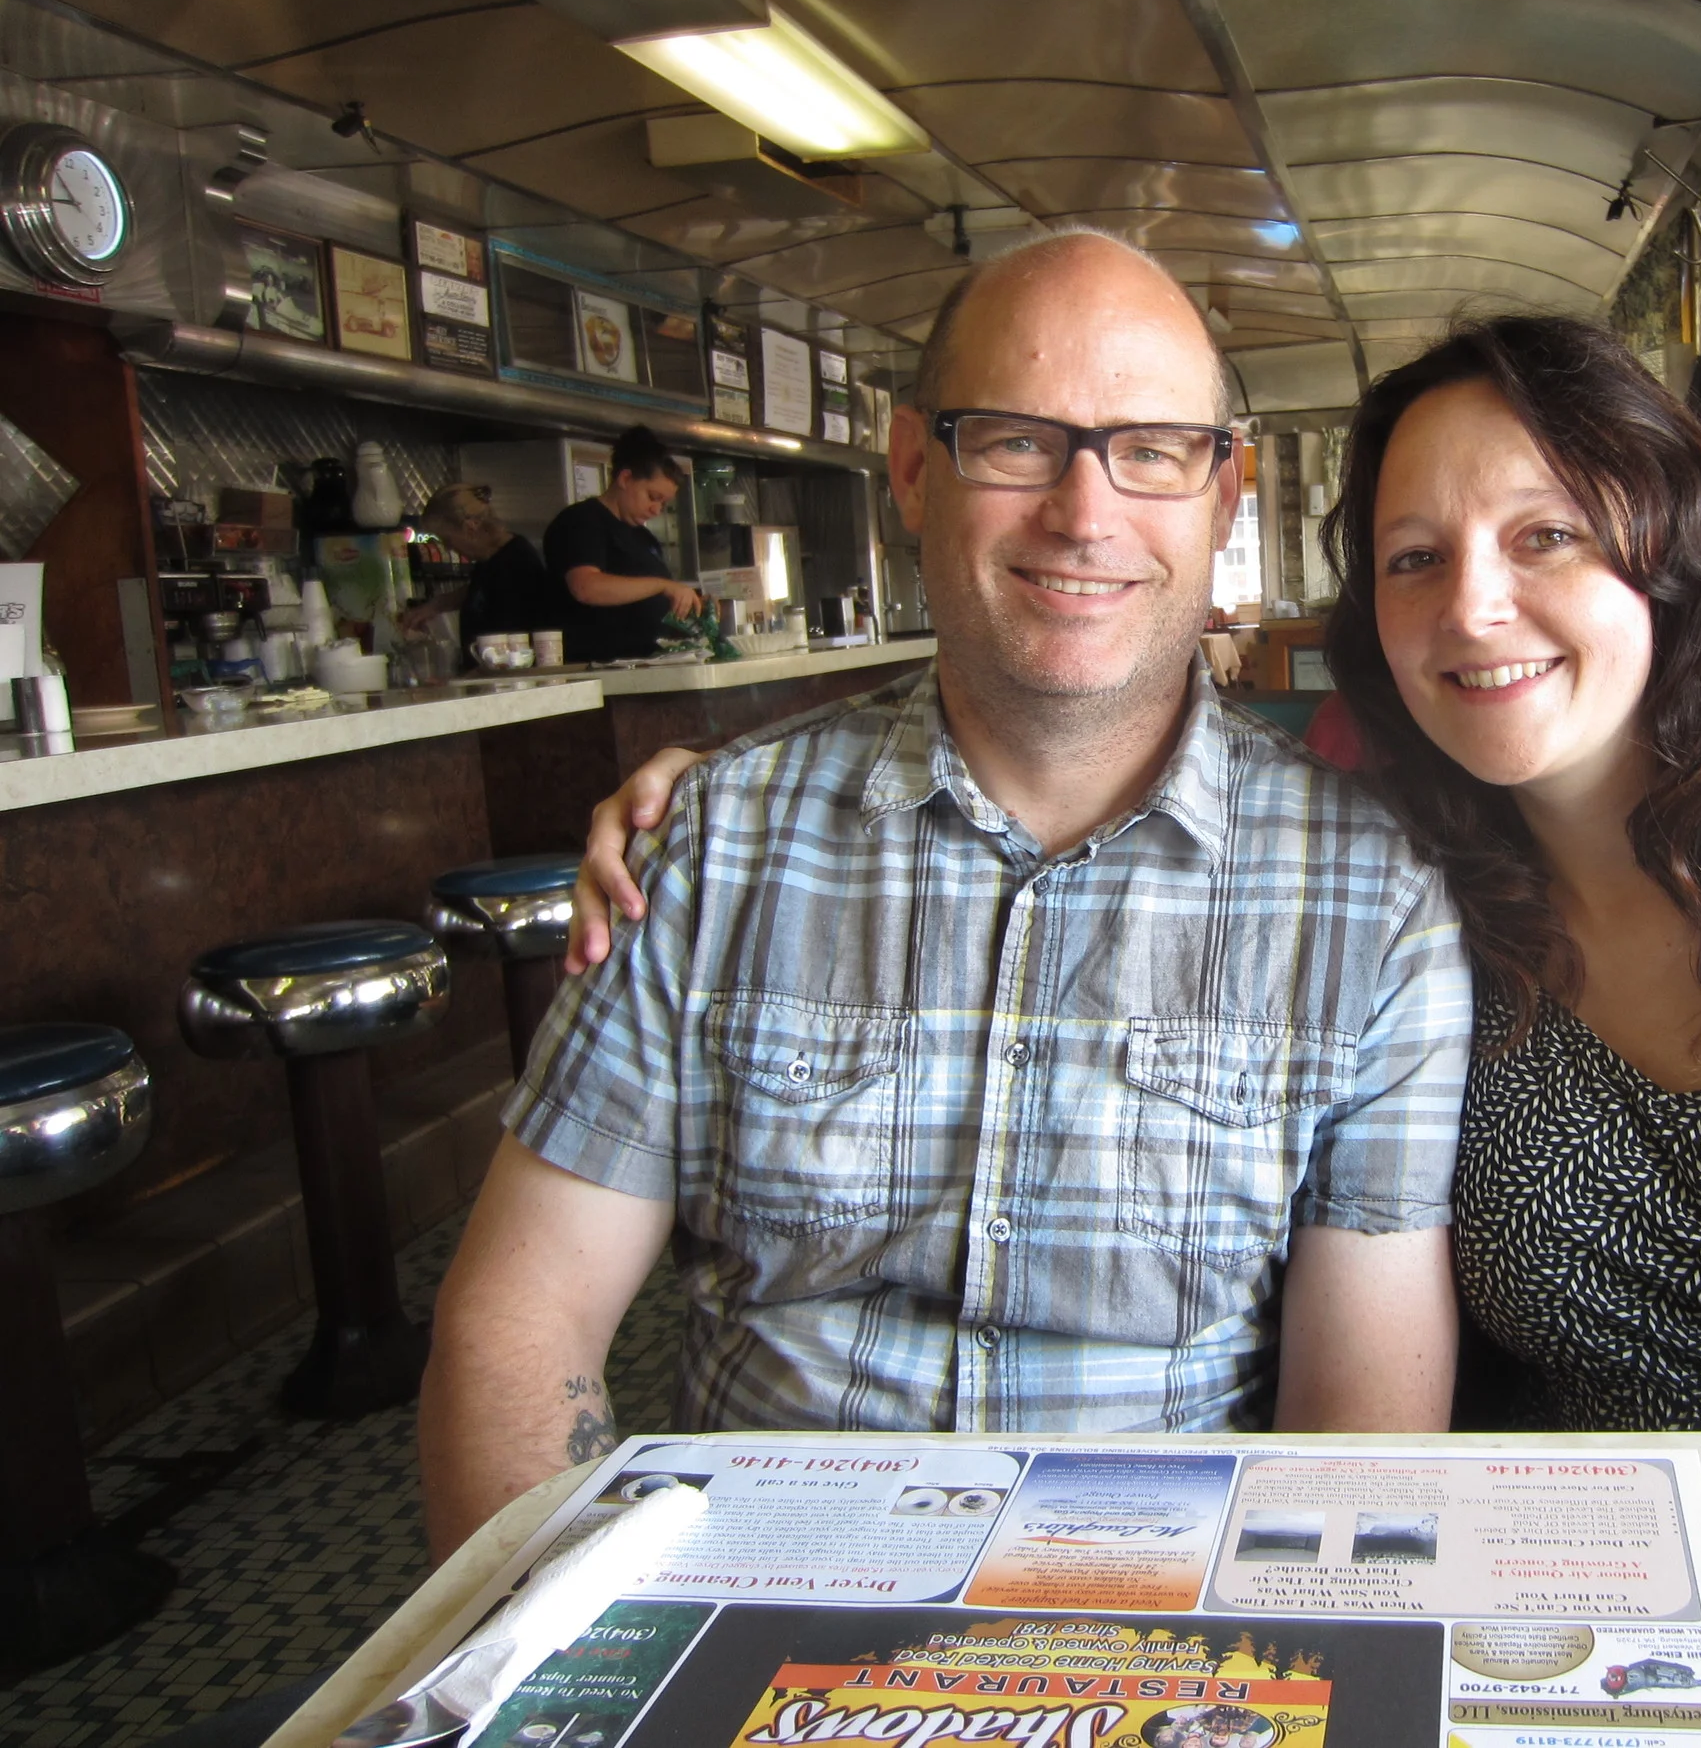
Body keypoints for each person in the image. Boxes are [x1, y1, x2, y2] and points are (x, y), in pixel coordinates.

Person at [573, 313, 1701, 1435]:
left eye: (1547, 537)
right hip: (1552, 1627)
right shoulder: (1397, 894)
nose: (1472, 607)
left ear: (1671, 555)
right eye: (1416, 558)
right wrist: (711, 794)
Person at [419, 232, 1470, 1562]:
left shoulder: (1371, 902)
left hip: (1155, 1638)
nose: (1084, 514)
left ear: (1223, 489)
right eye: (1019, 441)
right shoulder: (711, 843)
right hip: (751, 1610)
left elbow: (1358, 1425)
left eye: (1150, 447)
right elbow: (522, 1315)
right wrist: (542, 1659)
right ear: (915, 468)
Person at [542, 426, 706, 662]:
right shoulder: (582, 521)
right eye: (653, 497)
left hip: (649, 667)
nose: (656, 510)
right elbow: (585, 587)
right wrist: (662, 585)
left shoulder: (644, 537)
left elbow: (651, 599)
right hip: (599, 671)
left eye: (664, 504)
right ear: (625, 478)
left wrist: (691, 604)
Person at [403, 483, 557, 664]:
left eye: (447, 539)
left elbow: (513, 644)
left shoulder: (516, 563)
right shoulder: (493, 559)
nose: (447, 547)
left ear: (470, 527)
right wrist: (438, 604)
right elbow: (483, 588)